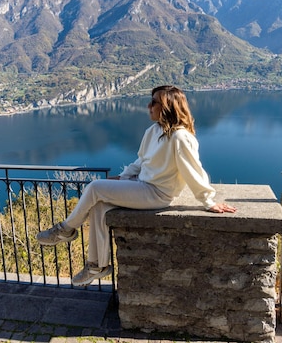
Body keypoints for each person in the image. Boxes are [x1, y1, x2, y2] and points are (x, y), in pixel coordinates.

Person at [37, 85, 237, 286]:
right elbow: (141, 162)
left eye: (154, 102)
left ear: (168, 106)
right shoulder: (154, 130)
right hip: (142, 185)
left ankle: (65, 230)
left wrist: (208, 201)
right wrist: (123, 178)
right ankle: (97, 266)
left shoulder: (180, 137)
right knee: (99, 205)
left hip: (157, 194)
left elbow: (194, 170)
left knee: (95, 187)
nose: (148, 106)